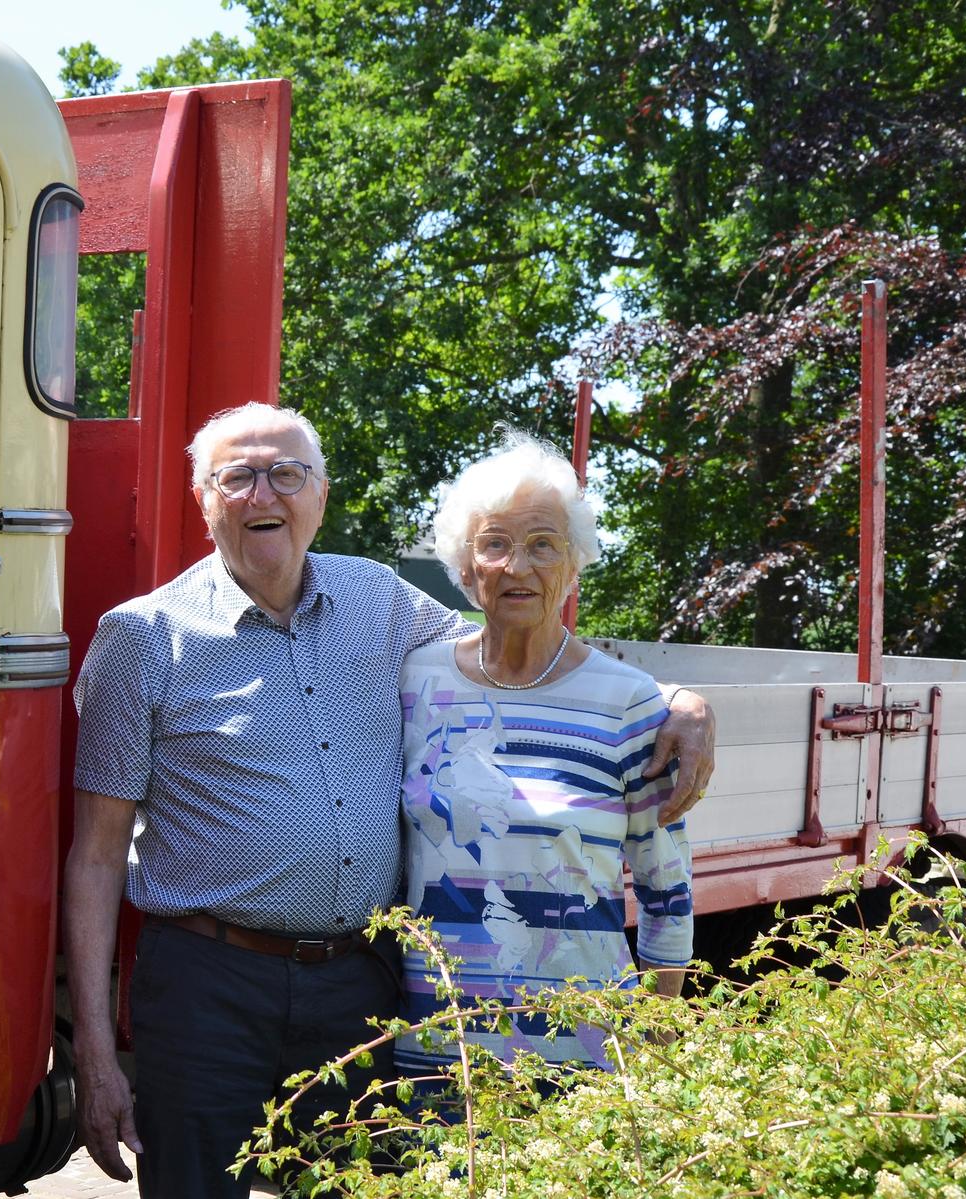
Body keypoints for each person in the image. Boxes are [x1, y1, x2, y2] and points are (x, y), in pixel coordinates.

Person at [63, 403, 713, 1197]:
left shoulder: (380, 602)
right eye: (237, 476)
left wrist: (679, 701)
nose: (264, 493)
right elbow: (95, 855)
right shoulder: (141, 638)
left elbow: (515, 642)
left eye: (288, 474)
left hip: (358, 990)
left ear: (321, 495)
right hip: (207, 985)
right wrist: (94, 1050)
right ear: (203, 499)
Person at [394, 428, 694, 1097]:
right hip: (437, 1046)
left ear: (574, 563)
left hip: (583, 1053)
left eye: (542, 544)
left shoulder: (629, 702)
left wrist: (656, 1040)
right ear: (466, 566)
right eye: (495, 543)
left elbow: (667, 892)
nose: (517, 566)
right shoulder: (416, 682)